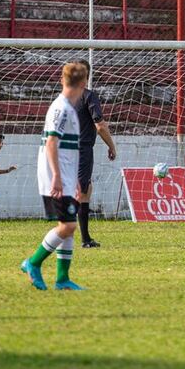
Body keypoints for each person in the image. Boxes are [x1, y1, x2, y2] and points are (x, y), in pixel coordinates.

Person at [21, 62, 89, 291]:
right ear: (84, 83)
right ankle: (33, 262)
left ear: (62, 80)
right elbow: (51, 143)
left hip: (66, 176)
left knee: (67, 224)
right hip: (56, 176)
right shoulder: (61, 108)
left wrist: (74, 179)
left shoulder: (67, 107)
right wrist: (58, 177)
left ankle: (62, 279)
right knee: (69, 226)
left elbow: (67, 148)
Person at [75, 60, 117, 248]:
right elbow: (100, 126)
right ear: (87, 76)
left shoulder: (61, 98)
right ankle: (84, 240)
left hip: (60, 149)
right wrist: (111, 146)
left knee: (84, 189)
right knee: (82, 192)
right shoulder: (88, 96)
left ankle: (83, 237)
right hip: (81, 149)